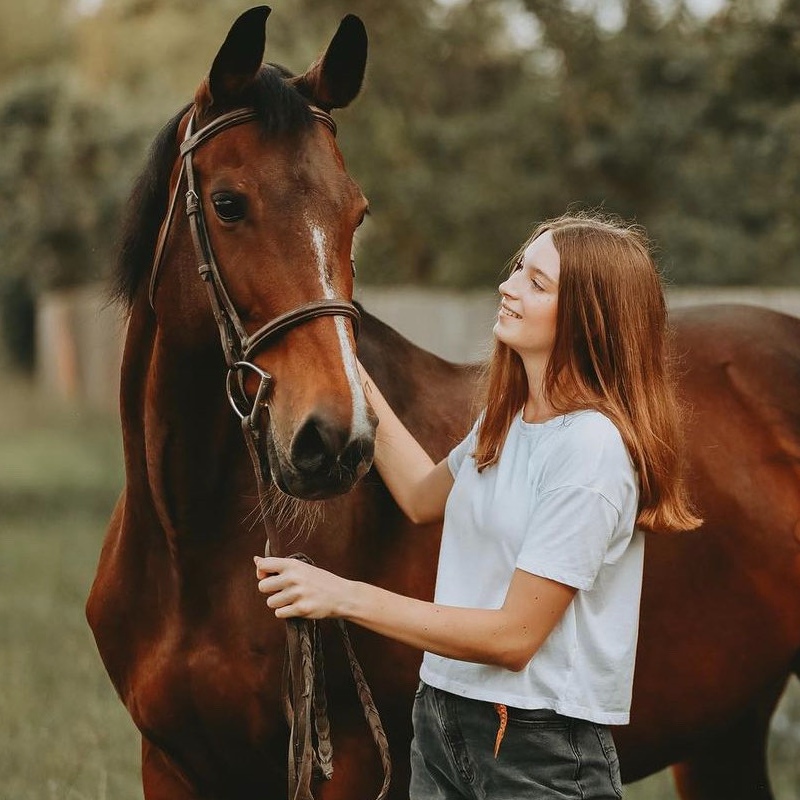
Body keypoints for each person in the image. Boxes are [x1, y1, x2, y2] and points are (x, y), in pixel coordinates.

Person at [255, 212, 701, 799]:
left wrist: (342, 596)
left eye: (536, 284)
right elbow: (419, 495)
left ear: (589, 319)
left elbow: (513, 638)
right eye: (519, 268)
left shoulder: (591, 450)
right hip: (443, 717)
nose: (508, 286)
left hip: (536, 747)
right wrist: (337, 362)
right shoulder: (509, 421)